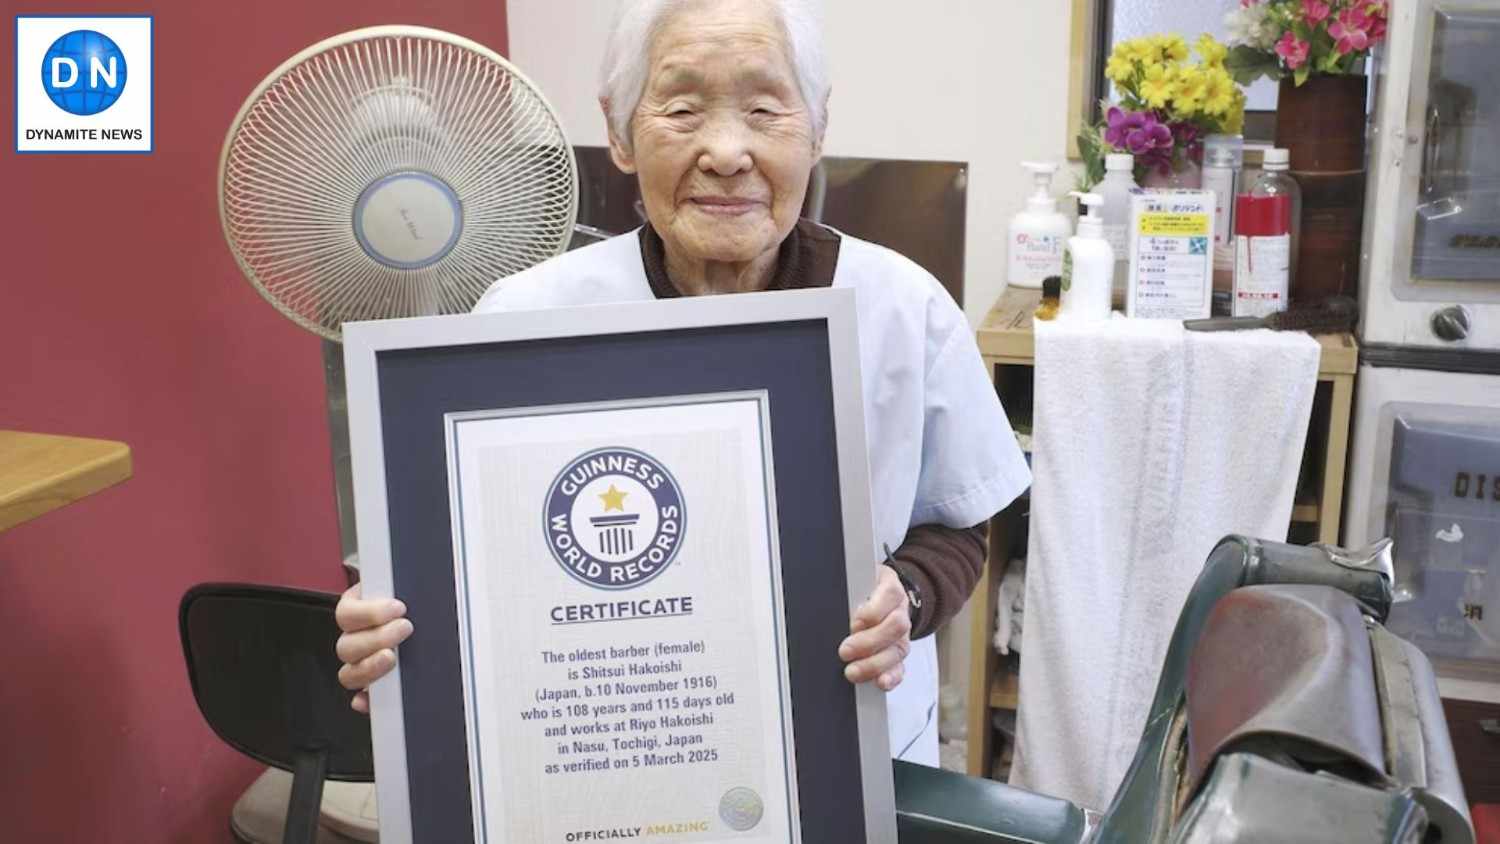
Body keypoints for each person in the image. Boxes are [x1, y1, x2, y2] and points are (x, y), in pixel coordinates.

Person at [334, 0, 1029, 766]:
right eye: (684, 108)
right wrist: (401, 637)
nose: (726, 151)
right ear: (620, 129)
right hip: (602, 752)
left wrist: (908, 595)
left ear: (818, 125)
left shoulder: (904, 307)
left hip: (847, 751)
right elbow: (464, 553)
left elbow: (961, 523)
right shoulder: (525, 317)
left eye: (765, 108)